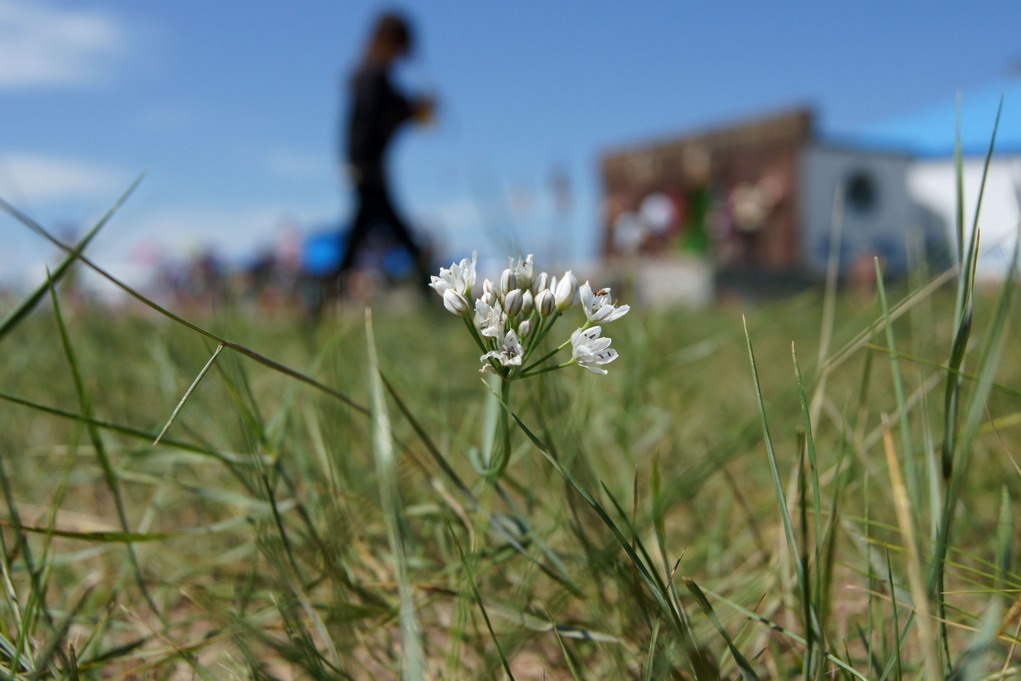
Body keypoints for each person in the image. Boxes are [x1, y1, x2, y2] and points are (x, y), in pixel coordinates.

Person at [335, 11, 434, 295]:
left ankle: (326, 297)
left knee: (362, 235)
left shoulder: (373, 75)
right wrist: (412, 111)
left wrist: (412, 110)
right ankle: (430, 289)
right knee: (393, 232)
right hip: (368, 170)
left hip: (368, 168)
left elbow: (391, 110)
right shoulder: (373, 76)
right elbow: (375, 121)